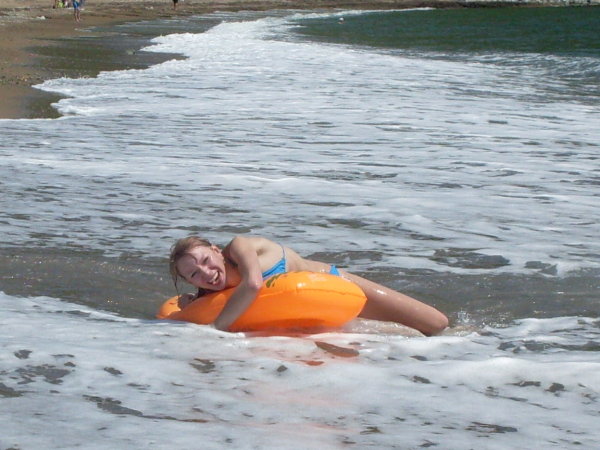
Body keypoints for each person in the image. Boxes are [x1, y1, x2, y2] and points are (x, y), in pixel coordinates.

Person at [169, 235, 449, 335]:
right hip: (314, 313)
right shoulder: (210, 294)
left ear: (216, 250)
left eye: (206, 260)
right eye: (194, 274)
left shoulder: (239, 247)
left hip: (335, 285)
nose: (206, 273)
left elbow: (253, 284)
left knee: (435, 325)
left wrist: (215, 330)